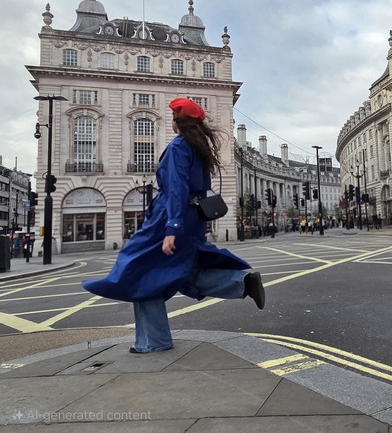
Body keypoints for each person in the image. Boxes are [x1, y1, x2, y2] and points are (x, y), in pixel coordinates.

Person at [83, 98, 265, 354]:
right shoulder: (197, 147)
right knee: (183, 270)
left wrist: (172, 228)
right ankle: (242, 282)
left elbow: (176, 187)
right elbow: (199, 188)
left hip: (168, 217)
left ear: (177, 121)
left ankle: (154, 341)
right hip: (193, 217)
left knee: (137, 269)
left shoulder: (179, 146)